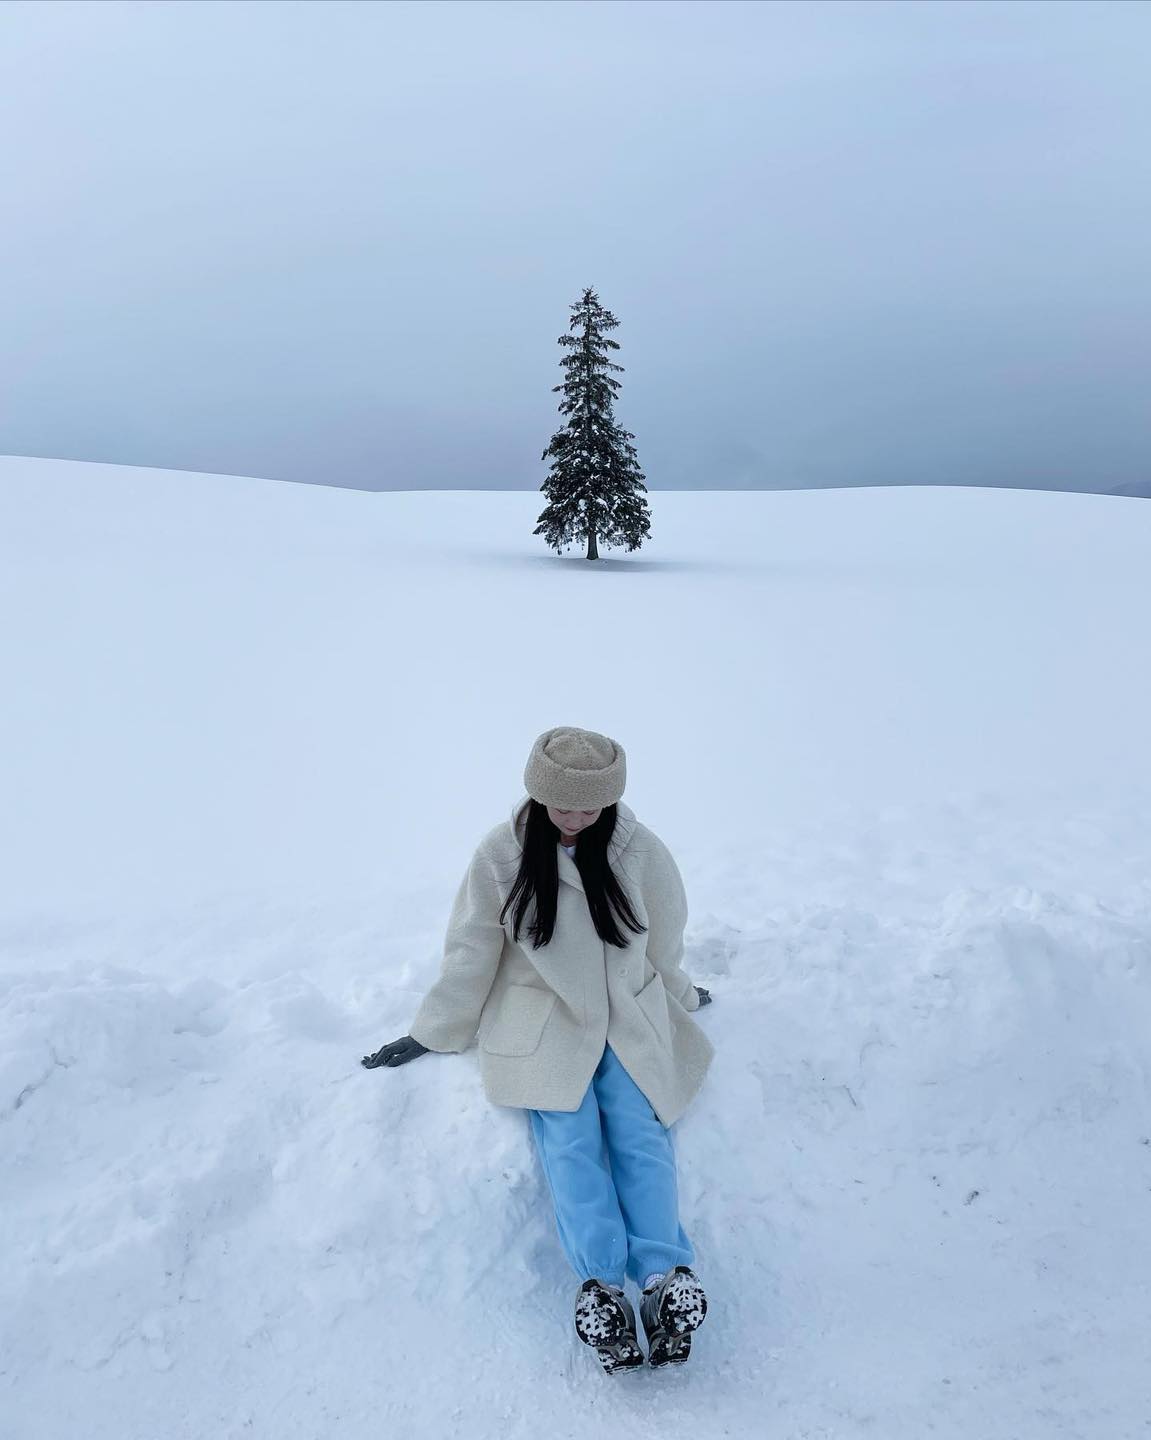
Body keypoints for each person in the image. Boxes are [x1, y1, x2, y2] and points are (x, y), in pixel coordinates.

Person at [361, 725, 715, 1375]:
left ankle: (666, 1274)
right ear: (536, 792)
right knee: (570, 1137)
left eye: (590, 807)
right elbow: (472, 949)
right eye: (564, 805)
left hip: (627, 1014)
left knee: (640, 1130)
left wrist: (682, 994)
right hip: (544, 1018)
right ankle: (602, 1284)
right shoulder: (502, 853)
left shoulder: (640, 851)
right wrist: (435, 1028)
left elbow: (665, 938)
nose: (577, 818)